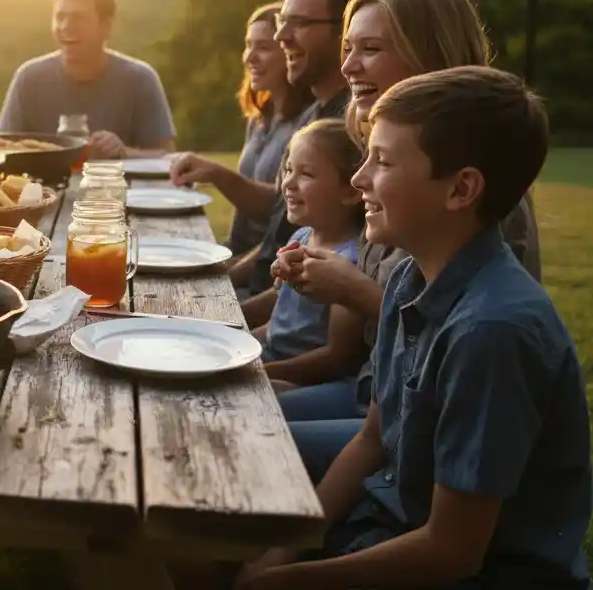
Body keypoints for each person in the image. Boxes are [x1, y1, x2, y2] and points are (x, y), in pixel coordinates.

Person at [236, 67, 590, 589]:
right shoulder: (410, 275)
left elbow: (451, 553)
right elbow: (372, 438)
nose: (359, 181)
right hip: (382, 527)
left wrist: (285, 582)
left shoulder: (491, 332)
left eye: (381, 162)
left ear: (461, 189)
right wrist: (285, 549)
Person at [268, 0, 543, 473]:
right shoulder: (381, 166)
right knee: (236, 410)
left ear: (433, 58)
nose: (348, 65)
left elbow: (457, 347)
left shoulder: (481, 202)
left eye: (370, 49)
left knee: (242, 432)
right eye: (348, 48)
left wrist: (352, 288)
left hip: (423, 428)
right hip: (372, 395)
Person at [172, 0, 375, 316]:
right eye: (283, 21)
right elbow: (275, 239)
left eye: (300, 23)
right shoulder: (314, 116)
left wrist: (223, 312)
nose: (283, 36)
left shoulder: (353, 129)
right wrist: (214, 279)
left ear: (344, 32)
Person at [0, 0, 175, 159]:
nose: (65, 26)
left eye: (78, 18)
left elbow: (167, 156)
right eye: (60, 17)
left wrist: (123, 152)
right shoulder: (29, 78)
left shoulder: (140, 79)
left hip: (118, 186)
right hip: (42, 186)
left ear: (106, 27)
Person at [250, 120, 364, 390]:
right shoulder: (302, 237)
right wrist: (237, 342)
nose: (288, 182)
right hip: (275, 357)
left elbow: (337, 358)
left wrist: (260, 373)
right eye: (289, 169)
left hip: (313, 379)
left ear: (350, 191)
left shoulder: (349, 263)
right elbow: (279, 324)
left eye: (307, 174)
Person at [226, 2, 313, 254]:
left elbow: (281, 209)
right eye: (248, 45)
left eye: (263, 47)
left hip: (270, 264)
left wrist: (216, 175)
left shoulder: (308, 125)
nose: (249, 57)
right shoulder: (259, 117)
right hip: (242, 254)